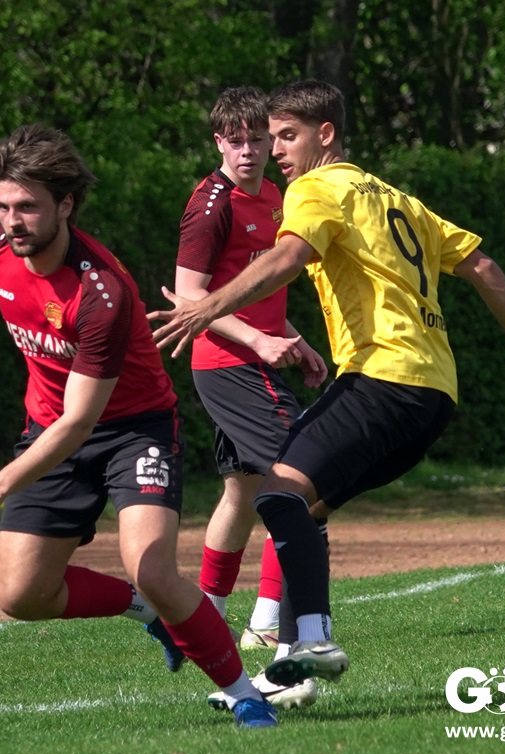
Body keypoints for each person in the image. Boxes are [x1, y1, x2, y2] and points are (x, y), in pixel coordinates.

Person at [150, 80, 505, 693]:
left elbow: (287, 259)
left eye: (287, 135)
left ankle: (312, 639)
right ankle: (291, 667)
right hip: (434, 395)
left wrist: (206, 308)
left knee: (278, 492)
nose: (275, 148)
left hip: (381, 378)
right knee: (305, 507)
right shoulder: (401, 200)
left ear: (326, 134)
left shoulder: (315, 187)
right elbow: (482, 266)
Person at [0, 124, 278, 728]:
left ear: (66, 205)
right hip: (49, 428)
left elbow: (81, 421)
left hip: (133, 431)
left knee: (153, 569)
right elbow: (62, 417)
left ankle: (244, 695)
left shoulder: (102, 294)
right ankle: (149, 615)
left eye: (28, 207)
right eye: (3, 206)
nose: (13, 221)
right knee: (21, 595)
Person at [174, 86, 327, 711]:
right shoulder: (210, 204)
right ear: (218, 143)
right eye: (234, 141)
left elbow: (259, 290)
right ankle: (278, 631)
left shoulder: (277, 196)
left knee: (241, 492)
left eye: (257, 139)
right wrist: (261, 342)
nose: (247, 151)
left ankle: (204, 617)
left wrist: (295, 339)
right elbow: (190, 298)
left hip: (256, 359)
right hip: (230, 365)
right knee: (303, 482)